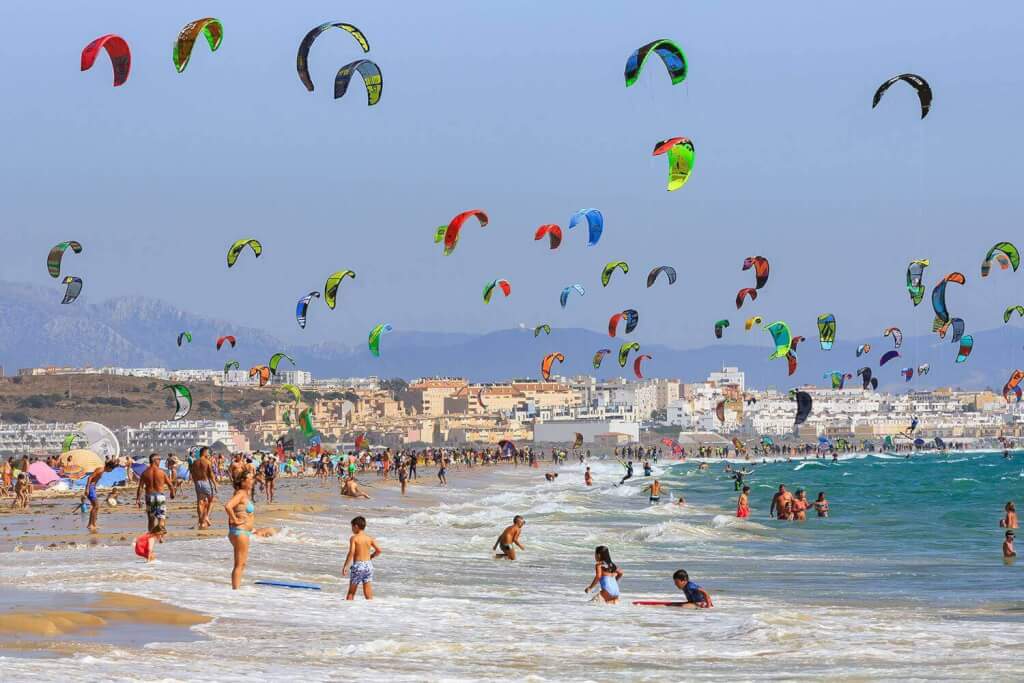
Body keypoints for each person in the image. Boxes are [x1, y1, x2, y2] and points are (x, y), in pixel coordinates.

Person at [225, 470, 256, 590]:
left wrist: (233, 524)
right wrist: (235, 520)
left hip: (240, 531)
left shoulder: (242, 494)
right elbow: (228, 506)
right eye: (250, 479)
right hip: (241, 532)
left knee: (240, 564)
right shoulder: (241, 493)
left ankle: (236, 589)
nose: (252, 481)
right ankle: (236, 591)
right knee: (239, 565)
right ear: (243, 481)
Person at [342, 516, 382, 600]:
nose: (352, 529)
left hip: (358, 566)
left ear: (356, 526)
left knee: (351, 592)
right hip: (368, 566)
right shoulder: (369, 538)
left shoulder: (354, 538)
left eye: (352, 527)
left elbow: (351, 552)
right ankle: (370, 610)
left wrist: (346, 566)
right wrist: (371, 556)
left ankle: (347, 611)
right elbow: (379, 550)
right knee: (368, 593)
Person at [135, 453, 174, 533]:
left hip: (149, 497)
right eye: (159, 459)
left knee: (151, 519)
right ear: (154, 460)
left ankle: (151, 537)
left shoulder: (145, 473)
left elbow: (141, 487)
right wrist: (172, 493)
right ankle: (161, 538)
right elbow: (170, 485)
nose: (160, 461)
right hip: (160, 496)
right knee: (161, 517)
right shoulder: (161, 472)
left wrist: (138, 499)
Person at [84, 461, 117, 531]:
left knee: (95, 506)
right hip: (90, 488)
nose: (111, 471)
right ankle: (90, 524)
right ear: (108, 467)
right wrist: (87, 489)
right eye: (111, 469)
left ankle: (92, 524)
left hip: (92, 488)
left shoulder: (101, 470)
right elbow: (89, 477)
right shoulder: (100, 470)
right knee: (96, 506)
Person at [190, 447, 218, 530]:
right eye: (208, 453)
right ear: (204, 453)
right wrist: (215, 484)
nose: (208, 454)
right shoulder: (207, 462)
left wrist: (196, 483)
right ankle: (206, 516)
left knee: (200, 502)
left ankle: (200, 521)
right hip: (206, 482)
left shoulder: (195, 462)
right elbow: (211, 475)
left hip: (198, 483)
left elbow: (193, 474)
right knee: (212, 500)